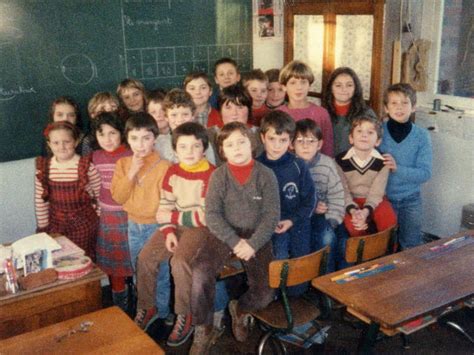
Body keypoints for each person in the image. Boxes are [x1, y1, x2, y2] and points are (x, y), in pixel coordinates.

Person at [189, 122, 280, 354]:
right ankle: (205, 327)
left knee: (265, 293)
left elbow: (271, 216)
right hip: (224, 232)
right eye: (229, 145)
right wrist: (235, 242)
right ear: (222, 151)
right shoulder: (219, 175)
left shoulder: (266, 175)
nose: (237, 148)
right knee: (200, 270)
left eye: (241, 141)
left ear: (252, 143)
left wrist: (253, 244)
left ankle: (239, 309)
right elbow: (212, 215)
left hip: (256, 234)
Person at [135, 122, 226, 346]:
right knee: (145, 257)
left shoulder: (212, 175)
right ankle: (147, 307)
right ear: (175, 150)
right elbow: (164, 207)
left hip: (201, 229)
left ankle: (185, 315)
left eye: (195, 147)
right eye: (183, 147)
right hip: (176, 224)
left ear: (204, 149)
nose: (189, 152)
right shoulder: (173, 172)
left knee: (180, 260)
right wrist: (168, 231)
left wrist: (172, 219)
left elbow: (204, 217)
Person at [111, 112, 172, 328]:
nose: (140, 144)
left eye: (146, 138)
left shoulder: (164, 166)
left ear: (155, 138)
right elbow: (118, 196)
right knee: (140, 270)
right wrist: (131, 174)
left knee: (161, 271)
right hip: (133, 226)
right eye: (135, 138)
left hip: (156, 226)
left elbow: (167, 201)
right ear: (127, 139)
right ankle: (146, 309)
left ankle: (163, 313)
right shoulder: (123, 164)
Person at [257, 111, 315, 295]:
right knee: (279, 259)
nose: (276, 146)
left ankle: (295, 302)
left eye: (282, 140)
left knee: (301, 264)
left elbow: (310, 200)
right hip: (270, 226)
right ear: (262, 138)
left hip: (297, 223)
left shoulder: (298, 165)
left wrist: (292, 220)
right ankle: (275, 301)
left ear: (290, 141)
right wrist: (268, 222)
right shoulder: (256, 167)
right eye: (272, 139)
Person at [35, 121, 100, 259]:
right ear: (49, 144)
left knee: (82, 259)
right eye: (56, 143)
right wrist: (43, 228)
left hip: (84, 225)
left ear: (75, 142)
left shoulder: (86, 166)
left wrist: (100, 220)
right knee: (60, 260)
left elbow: (99, 196)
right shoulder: (44, 168)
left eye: (66, 141)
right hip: (56, 225)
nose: (62, 147)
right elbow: (41, 202)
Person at [380, 83, 432, 250]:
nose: (399, 107)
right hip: (384, 199)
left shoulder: (422, 136)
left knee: (411, 246)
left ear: (414, 107)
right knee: (385, 246)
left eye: (405, 103)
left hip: (411, 200)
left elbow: (425, 173)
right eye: (394, 103)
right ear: (386, 108)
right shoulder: (378, 132)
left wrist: (397, 168)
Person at [90, 112, 133, 311]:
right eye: (102, 134)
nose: (107, 139)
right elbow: (92, 186)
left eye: (112, 133)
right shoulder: (95, 157)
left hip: (129, 216)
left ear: (121, 133)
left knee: (134, 259)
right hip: (106, 217)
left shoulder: (131, 155)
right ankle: (120, 306)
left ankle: (141, 303)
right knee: (114, 264)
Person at [293, 119, 346, 272]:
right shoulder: (290, 165)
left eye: (311, 141)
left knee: (328, 238)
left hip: (324, 215)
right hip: (298, 216)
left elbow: (337, 195)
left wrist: (332, 219)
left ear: (319, 144)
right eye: (300, 141)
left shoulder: (328, 164)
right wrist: (310, 206)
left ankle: (326, 281)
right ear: (292, 144)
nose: (305, 145)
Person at [336, 116, 397, 237]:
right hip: (349, 200)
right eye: (359, 131)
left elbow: (376, 193)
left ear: (378, 141)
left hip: (374, 200)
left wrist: (366, 211)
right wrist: (353, 211)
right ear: (351, 138)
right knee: (355, 226)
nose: (364, 135)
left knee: (389, 219)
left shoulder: (383, 162)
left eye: (370, 132)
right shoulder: (339, 161)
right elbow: (342, 192)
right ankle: (362, 254)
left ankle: (388, 253)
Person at [278, 60, 334, 157]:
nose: (299, 87)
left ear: (309, 86)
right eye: (293, 83)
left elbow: (327, 148)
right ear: (284, 87)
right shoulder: (278, 114)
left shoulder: (321, 113)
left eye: (303, 82)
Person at [322, 67, 377, 156]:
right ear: (331, 88)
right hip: (327, 165)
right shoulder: (322, 113)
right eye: (338, 85)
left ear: (356, 88)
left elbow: (374, 144)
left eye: (349, 85)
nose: (344, 89)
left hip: (356, 165)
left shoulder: (367, 114)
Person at [155, 88, 216, 164]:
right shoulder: (160, 143)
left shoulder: (201, 140)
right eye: (174, 115)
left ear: (193, 116)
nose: (180, 120)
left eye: (185, 114)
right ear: (166, 117)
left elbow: (211, 169)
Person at [208, 84, 263, 166]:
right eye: (228, 108)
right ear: (220, 111)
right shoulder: (208, 135)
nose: (234, 113)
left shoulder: (260, 135)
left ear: (249, 110)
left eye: (240, 107)